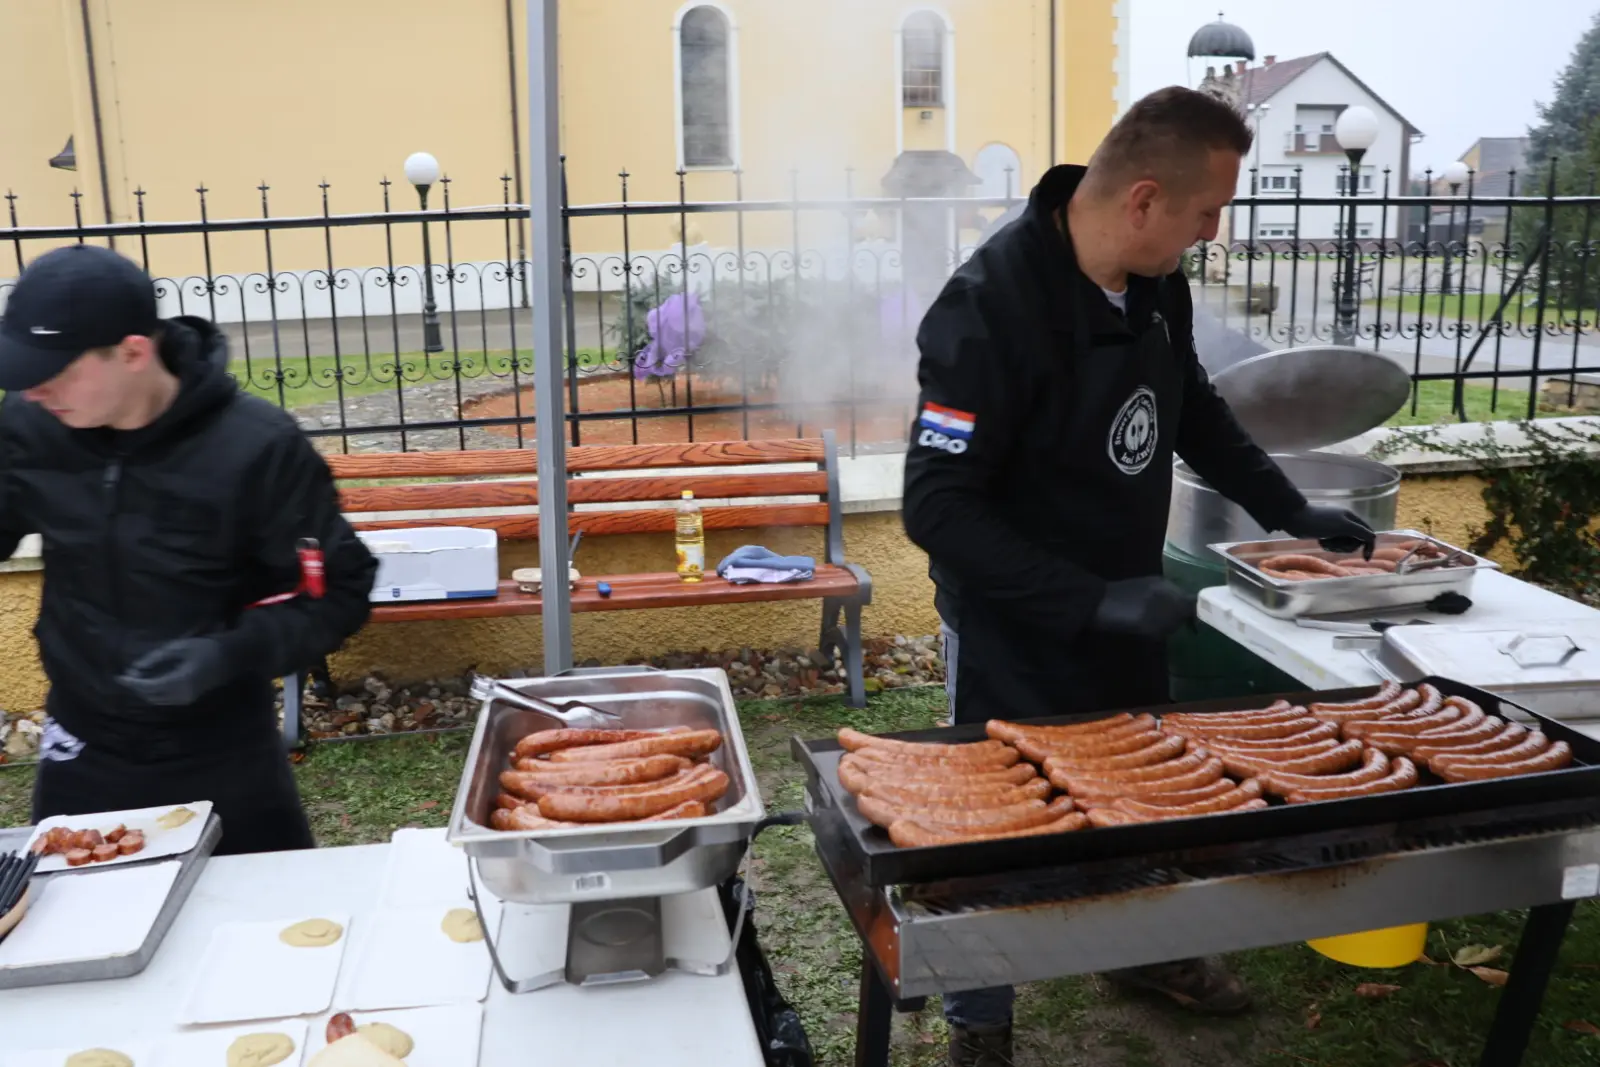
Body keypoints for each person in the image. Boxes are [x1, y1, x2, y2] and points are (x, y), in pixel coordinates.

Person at [901, 87, 1375, 1066]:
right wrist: (1086, 598)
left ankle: (1141, 955)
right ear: (1145, 198)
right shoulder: (985, 309)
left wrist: (1289, 509)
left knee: (1142, 797)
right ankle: (979, 1016)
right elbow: (936, 508)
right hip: (1015, 622)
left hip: (1125, 602)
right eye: (1207, 213)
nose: (1213, 232)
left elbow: (1189, 405)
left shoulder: (1154, 277)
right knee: (997, 823)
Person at [0, 244, 378, 855]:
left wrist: (226, 656)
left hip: (223, 747)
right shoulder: (29, 425)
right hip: (84, 742)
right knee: (73, 933)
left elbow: (339, 591)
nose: (32, 390)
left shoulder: (257, 448)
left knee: (265, 928)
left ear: (133, 352)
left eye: (53, 371)